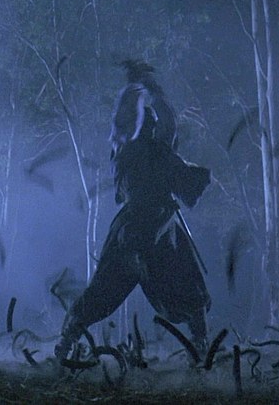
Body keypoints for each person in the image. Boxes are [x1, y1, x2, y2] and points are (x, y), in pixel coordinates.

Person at [55, 106, 211, 361]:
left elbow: (124, 192)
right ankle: (201, 345)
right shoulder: (154, 152)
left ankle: (67, 338)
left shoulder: (124, 154)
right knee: (188, 285)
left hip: (135, 227)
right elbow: (186, 186)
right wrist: (188, 172)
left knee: (104, 290)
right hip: (154, 226)